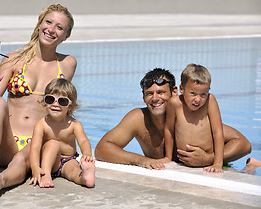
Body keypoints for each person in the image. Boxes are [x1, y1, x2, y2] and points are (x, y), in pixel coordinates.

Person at [0, 4, 77, 196]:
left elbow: (63, 108)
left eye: (59, 27)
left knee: (22, 159)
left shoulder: (67, 64)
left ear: (66, 35)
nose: (51, 29)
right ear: (40, 24)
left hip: (38, 140)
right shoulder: (14, 59)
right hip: (8, 143)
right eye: (48, 22)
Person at [95, 68, 251, 170]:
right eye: (150, 94)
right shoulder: (139, 119)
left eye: (161, 92)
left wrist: (209, 158)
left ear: (175, 92)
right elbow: (102, 149)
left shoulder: (191, 115)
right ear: (143, 98)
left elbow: (243, 144)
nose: (155, 98)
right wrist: (141, 160)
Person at [28, 78, 95, 188]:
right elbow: (35, 147)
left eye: (62, 101)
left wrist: (87, 154)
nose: (55, 104)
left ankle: (85, 178)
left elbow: (83, 141)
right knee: (53, 143)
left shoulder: (74, 125)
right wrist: (35, 167)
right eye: (50, 99)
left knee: (74, 172)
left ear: (70, 106)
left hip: (68, 160)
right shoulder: (42, 124)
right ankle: (46, 175)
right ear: (45, 101)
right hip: (49, 163)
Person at [161, 64, 224, 173]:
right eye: (193, 93)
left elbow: (218, 132)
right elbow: (169, 130)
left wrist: (217, 163)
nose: (198, 99)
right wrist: (168, 157)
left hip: (207, 162)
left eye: (203, 94)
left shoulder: (210, 101)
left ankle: (251, 166)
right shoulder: (174, 103)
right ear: (181, 89)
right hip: (183, 162)